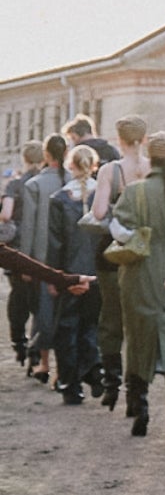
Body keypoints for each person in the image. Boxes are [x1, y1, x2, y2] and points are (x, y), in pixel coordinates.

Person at [107, 132, 165, 443]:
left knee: (138, 337)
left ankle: (140, 408)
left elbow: (117, 228)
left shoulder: (136, 191)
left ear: (151, 157)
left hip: (141, 273)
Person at [90, 116, 152, 412]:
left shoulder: (110, 171)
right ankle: (137, 389)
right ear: (145, 138)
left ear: (119, 139)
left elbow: (99, 212)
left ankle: (112, 383)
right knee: (139, 320)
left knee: (111, 318)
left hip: (113, 251)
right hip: (144, 251)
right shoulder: (153, 168)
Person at [47, 144, 102, 404]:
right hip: (97, 272)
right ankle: (92, 365)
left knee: (66, 327)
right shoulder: (103, 196)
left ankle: (70, 383)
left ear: (71, 165)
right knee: (92, 324)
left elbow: (55, 243)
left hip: (69, 271)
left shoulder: (59, 199)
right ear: (93, 165)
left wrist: (53, 276)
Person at [17, 137, 70, 383]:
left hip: (43, 257)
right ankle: (63, 369)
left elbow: (28, 227)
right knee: (68, 313)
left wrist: (25, 262)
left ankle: (44, 364)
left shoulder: (35, 185)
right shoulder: (75, 182)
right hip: (70, 257)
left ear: (46, 155)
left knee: (44, 312)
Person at [5, 141, 45, 366]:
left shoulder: (15, 184)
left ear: (25, 158)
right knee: (39, 299)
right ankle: (36, 347)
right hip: (41, 245)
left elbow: (6, 214)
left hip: (18, 247)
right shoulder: (45, 182)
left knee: (18, 296)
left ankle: (19, 342)